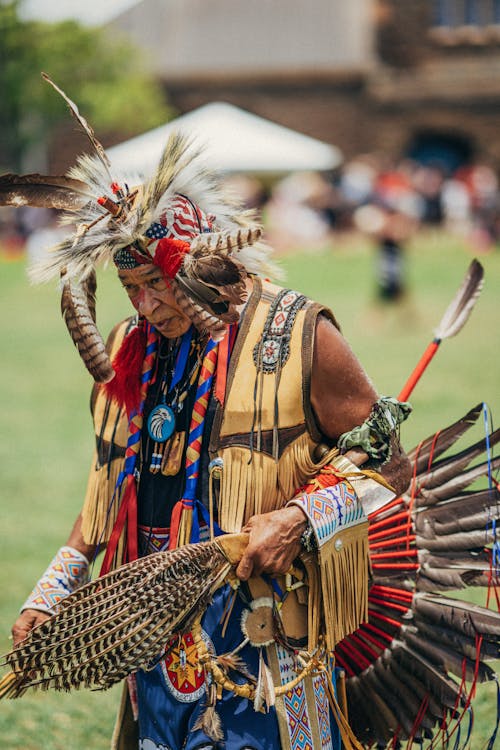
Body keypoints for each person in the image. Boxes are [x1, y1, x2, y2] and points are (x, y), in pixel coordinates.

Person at [8, 132, 412, 750]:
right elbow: (107, 493)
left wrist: (301, 515)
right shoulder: (131, 352)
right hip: (154, 622)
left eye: (156, 285)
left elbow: (389, 462)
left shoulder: (300, 331)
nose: (144, 307)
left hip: (269, 626)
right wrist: (55, 585)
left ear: (200, 265)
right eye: (130, 290)